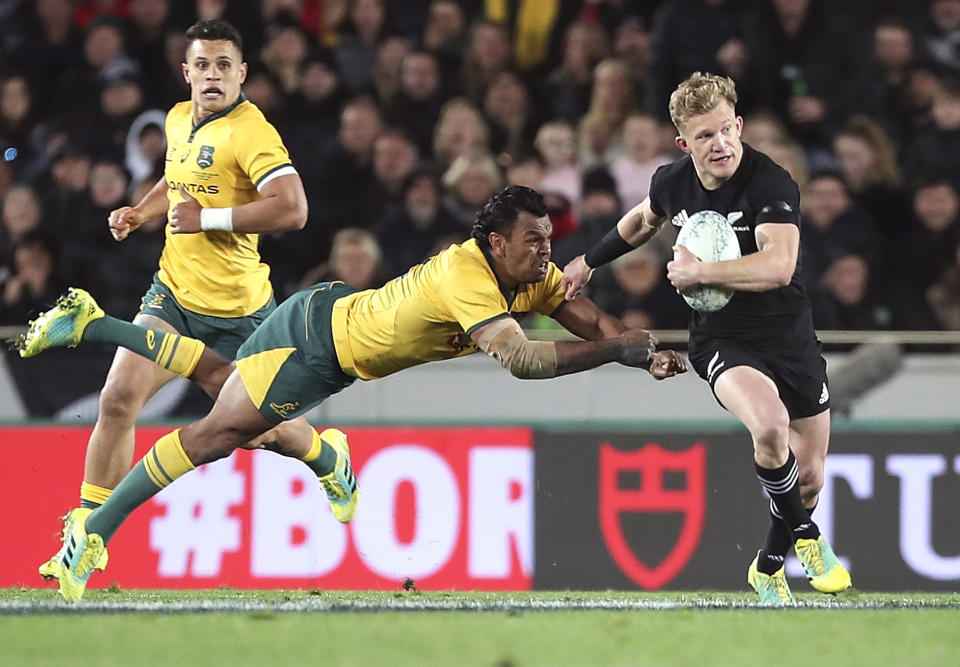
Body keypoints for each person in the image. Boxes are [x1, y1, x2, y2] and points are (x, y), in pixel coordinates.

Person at [18, 185, 687, 602]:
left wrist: (642, 351)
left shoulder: (529, 278)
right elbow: (521, 359)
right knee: (214, 434)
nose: (547, 253)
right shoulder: (468, 275)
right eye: (534, 241)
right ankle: (93, 534)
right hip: (317, 343)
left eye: (549, 241)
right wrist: (615, 351)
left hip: (331, 335)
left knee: (225, 392)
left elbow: (597, 325)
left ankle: (323, 457)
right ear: (496, 242)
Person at [35, 19, 311, 585]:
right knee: (116, 399)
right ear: (186, 73)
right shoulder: (179, 117)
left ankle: (329, 456)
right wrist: (142, 210)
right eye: (202, 66)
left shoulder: (252, 131)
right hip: (174, 293)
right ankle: (86, 538)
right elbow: (178, 178)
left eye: (223, 66)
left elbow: (293, 209)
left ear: (242, 73)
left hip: (239, 314)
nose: (212, 75)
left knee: (260, 433)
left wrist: (206, 218)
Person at [562, 72, 852, 605]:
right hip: (723, 339)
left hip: (790, 338)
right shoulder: (673, 182)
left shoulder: (771, 182)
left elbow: (780, 266)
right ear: (683, 144)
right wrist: (588, 261)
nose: (719, 144)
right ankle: (808, 540)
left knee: (807, 478)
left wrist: (701, 274)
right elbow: (642, 221)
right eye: (704, 136)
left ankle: (767, 567)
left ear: (739, 126)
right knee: (769, 427)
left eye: (726, 130)